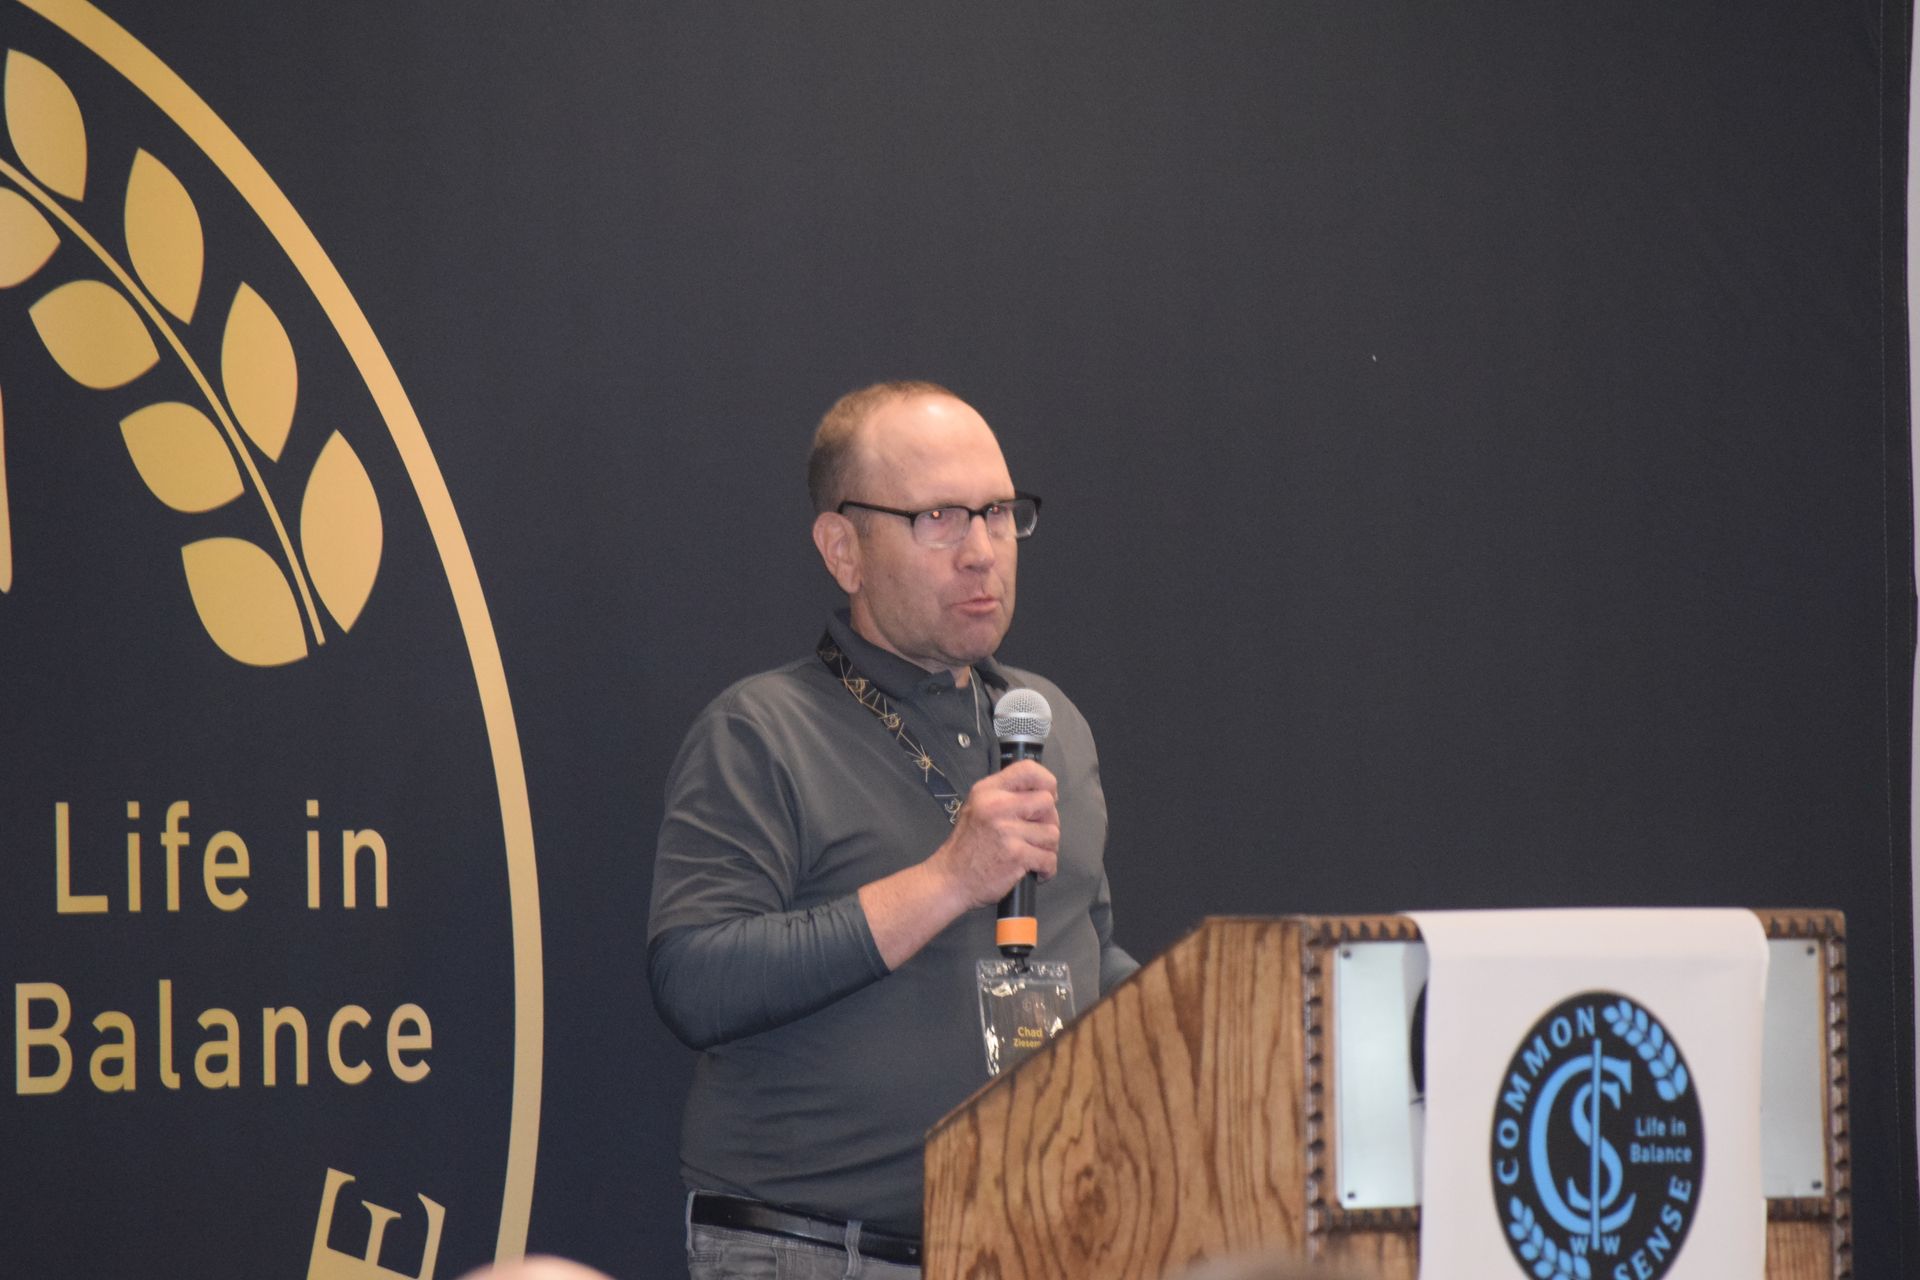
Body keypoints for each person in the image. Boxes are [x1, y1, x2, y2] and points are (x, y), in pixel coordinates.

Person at [649, 381, 1136, 1278]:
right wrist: (949, 879)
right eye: (941, 517)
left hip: (1034, 1246)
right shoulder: (762, 730)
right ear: (844, 549)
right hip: (817, 1251)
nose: (983, 552)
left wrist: (1203, 1018)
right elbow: (694, 981)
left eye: (999, 513)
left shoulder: (1049, 725)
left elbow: (1084, 956)